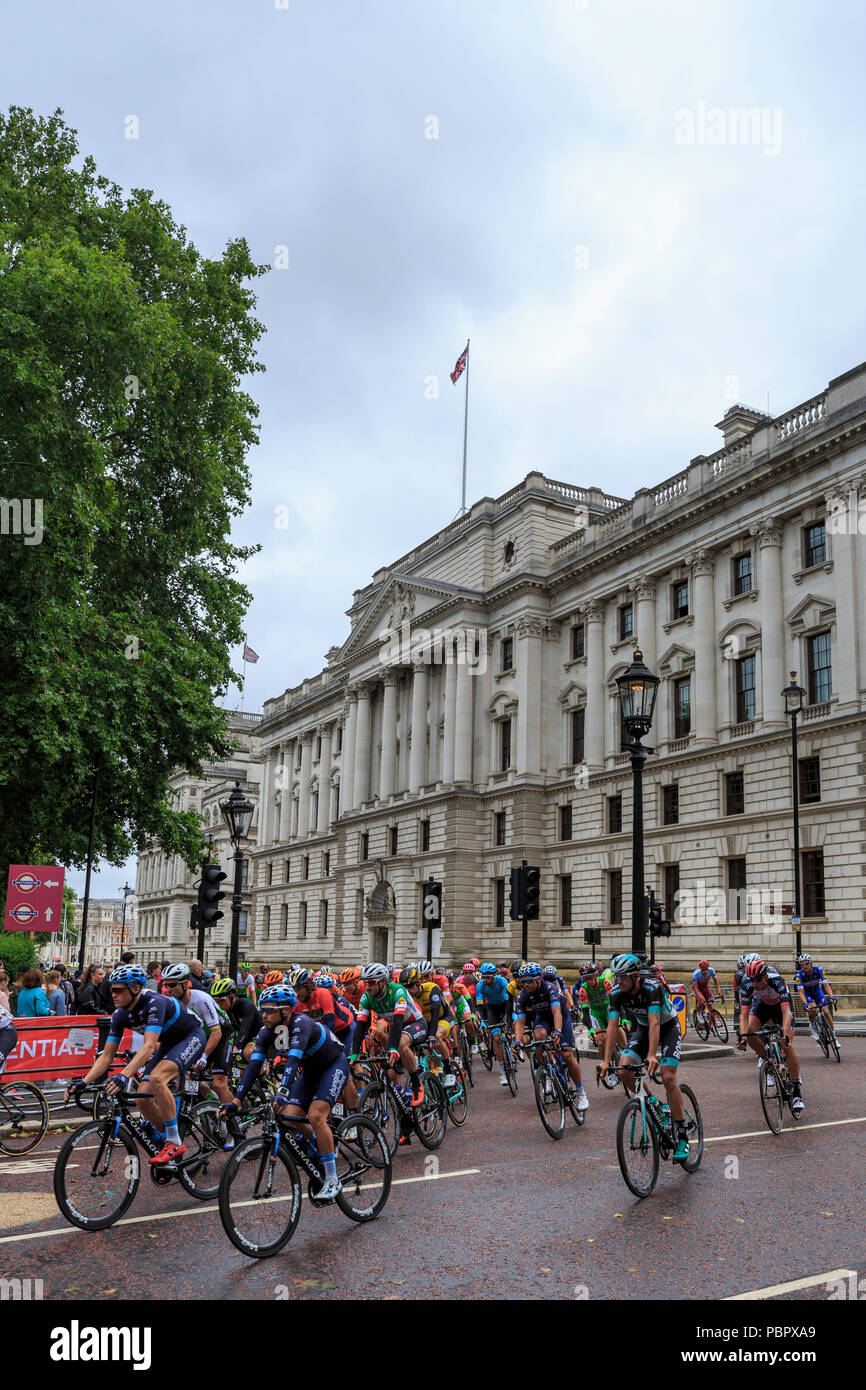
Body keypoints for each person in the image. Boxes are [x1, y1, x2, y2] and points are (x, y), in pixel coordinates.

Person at [68, 964, 206, 1165]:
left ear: (135, 989)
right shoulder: (120, 1014)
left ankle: (175, 1141)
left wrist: (124, 1075)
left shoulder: (154, 1002)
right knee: (143, 1098)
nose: (113, 994)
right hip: (168, 1043)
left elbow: (149, 1046)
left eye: (118, 990)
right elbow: (107, 1056)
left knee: (158, 1078)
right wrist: (84, 1082)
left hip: (191, 1036)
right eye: (111, 990)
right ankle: (166, 1136)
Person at [222, 983, 349, 1200]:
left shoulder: (302, 1023)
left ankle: (332, 1178)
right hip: (311, 1070)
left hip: (333, 1065)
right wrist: (236, 1100)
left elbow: (293, 1059)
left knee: (316, 1115)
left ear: (286, 1010)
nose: (264, 1015)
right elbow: (254, 1067)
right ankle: (318, 1150)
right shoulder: (266, 1032)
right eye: (263, 1010)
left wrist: (282, 1090)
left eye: (270, 1010)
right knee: (289, 1117)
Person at [602, 953, 690, 1161]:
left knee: (668, 1076)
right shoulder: (616, 993)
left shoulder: (652, 987)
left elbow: (655, 1024)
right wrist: (605, 1060)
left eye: (622, 976)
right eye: (616, 976)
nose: (618, 980)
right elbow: (612, 1027)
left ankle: (683, 1136)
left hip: (667, 1027)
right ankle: (654, 1103)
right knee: (624, 1071)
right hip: (642, 1029)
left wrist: (651, 1055)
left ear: (635, 976)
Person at [514, 963, 588, 1112]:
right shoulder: (523, 995)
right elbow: (520, 1021)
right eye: (523, 981)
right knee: (538, 1036)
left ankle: (581, 1092)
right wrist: (516, 1042)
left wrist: (558, 1032)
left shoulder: (549, 987)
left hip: (560, 1016)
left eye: (529, 981)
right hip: (543, 1018)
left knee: (566, 1054)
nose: (525, 984)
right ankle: (547, 1071)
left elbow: (557, 1012)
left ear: (539, 979)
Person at [742, 958, 804, 1116]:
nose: (754, 983)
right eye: (751, 979)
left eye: (757, 979)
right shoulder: (748, 985)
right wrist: (742, 1036)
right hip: (763, 1006)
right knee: (750, 1034)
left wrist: (785, 1032)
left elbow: (785, 1012)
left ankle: (796, 1091)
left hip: (780, 1008)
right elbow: (744, 1014)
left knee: (787, 1045)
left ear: (765, 977)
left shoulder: (778, 982)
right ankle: (767, 1060)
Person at [793, 954, 839, 1049]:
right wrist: (806, 1004)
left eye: (806, 963)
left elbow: (826, 985)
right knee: (812, 1009)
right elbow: (801, 992)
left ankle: (834, 1038)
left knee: (826, 1011)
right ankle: (813, 1027)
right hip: (807, 993)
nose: (805, 966)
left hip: (817, 991)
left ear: (811, 963)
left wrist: (832, 997)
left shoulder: (819, 970)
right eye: (802, 965)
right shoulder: (799, 976)